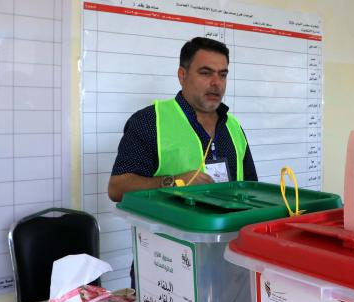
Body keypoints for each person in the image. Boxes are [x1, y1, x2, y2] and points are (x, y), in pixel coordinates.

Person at [107, 36, 258, 202]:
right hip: (169, 227)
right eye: (206, 73)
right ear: (182, 75)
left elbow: (251, 187)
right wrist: (173, 182)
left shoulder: (233, 126)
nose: (217, 83)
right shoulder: (149, 121)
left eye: (222, 75)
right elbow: (117, 188)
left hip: (230, 227)